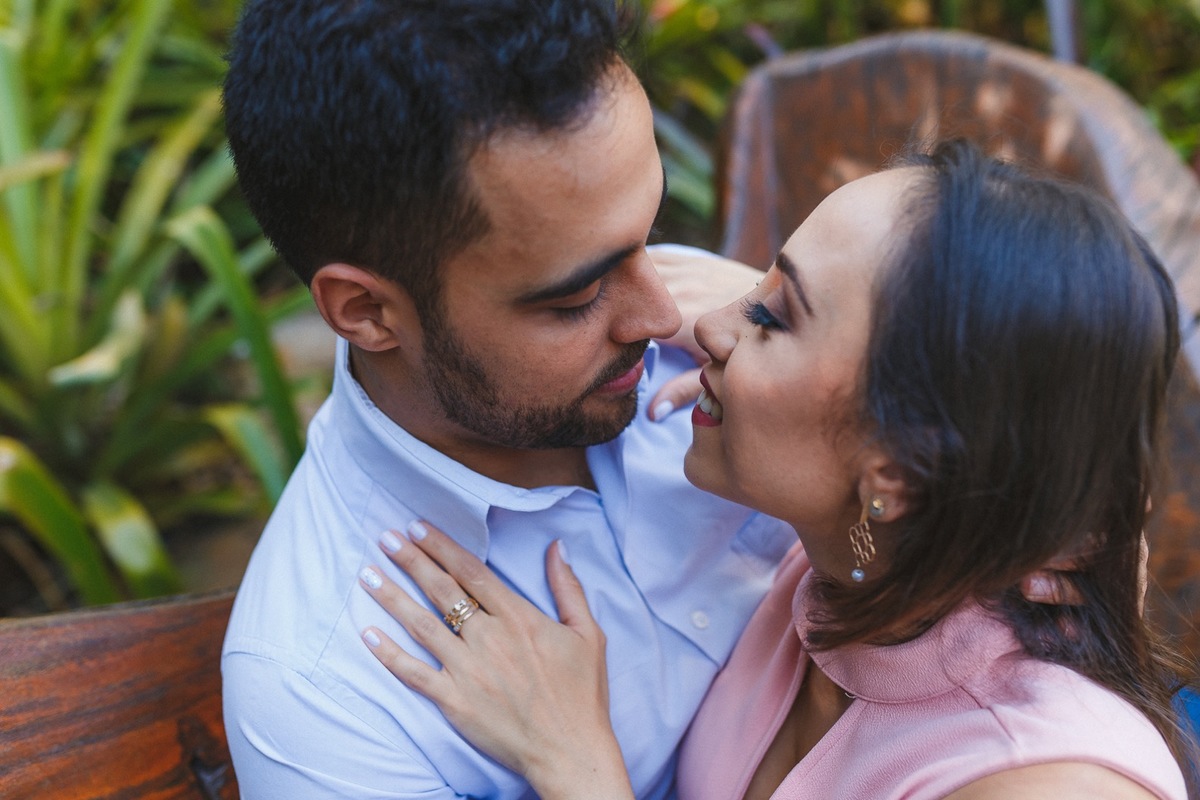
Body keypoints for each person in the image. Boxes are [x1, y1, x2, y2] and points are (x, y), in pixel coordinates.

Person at [355, 141, 1196, 799]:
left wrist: (579, 768)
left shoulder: (1043, 781)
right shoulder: (858, 568)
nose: (703, 327)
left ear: (898, 475)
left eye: (771, 314)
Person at [218, 1, 797, 797]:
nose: (663, 315)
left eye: (650, 232)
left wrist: (815, 340)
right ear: (367, 312)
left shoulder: (720, 326)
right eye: (576, 298)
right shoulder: (329, 697)